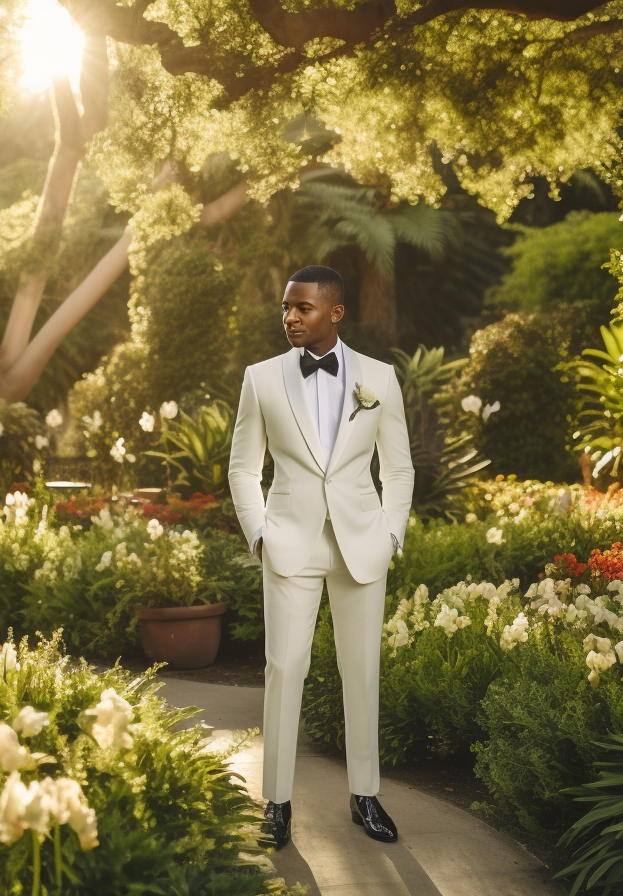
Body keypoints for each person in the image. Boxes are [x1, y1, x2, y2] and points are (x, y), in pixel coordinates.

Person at [228, 265, 415, 849]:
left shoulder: (380, 377)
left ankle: (365, 796)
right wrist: (259, 532)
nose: (289, 317)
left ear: (334, 312)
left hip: (362, 542)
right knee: (285, 670)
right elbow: (242, 466)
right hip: (289, 542)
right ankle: (276, 804)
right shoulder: (260, 379)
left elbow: (400, 466)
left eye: (302, 308)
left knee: (361, 671)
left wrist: (391, 535)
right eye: (286, 307)